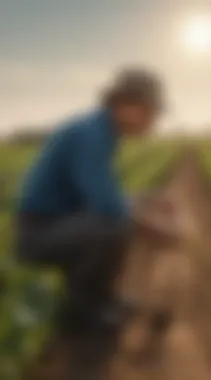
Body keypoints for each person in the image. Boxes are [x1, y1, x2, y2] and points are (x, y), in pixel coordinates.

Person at [14, 67, 168, 330]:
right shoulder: (92, 135)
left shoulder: (100, 130)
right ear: (125, 105)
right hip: (38, 234)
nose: (153, 120)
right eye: (151, 111)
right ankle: (81, 313)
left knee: (117, 220)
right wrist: (154, 228)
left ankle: (104, 299)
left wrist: (143, 199)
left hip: (57, 224)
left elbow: (103, 194)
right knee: (114, 225)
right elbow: (108, 206)